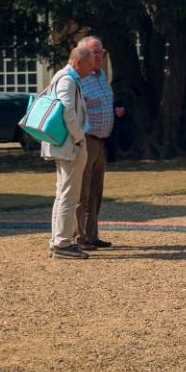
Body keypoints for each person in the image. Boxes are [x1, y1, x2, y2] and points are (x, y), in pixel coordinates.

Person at [43, 46, 95, 260]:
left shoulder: (62, 77)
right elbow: (67, 110)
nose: (92, 69)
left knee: (63, 193)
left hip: (62, 144)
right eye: (89, 64)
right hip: (69, 145)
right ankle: (62, 243)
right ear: (78, 62)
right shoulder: (67, 80)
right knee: (69, 194)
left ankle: (58, 240)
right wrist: (79, 137)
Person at [76, 36, 125, 251]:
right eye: (94, 52)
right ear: (83, 55)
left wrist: (114, 111)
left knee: (96, 190)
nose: (98, 56)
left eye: (101, 52)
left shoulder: (101, 75)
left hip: (102, 141)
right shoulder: (77, 78)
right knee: (82, 190)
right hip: (86, 140)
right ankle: (79, 236)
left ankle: (92, 234)